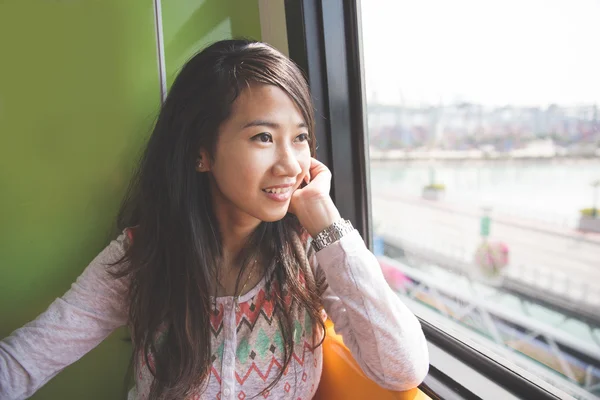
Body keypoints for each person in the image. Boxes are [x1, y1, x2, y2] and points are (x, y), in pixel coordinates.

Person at [0, 39, 428, 400]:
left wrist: (326, 220)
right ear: (201, 152)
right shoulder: (145, 255)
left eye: (299, 138)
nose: (291, 164)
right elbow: (25, 362)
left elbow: (402, 369)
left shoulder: (310, 251)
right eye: (263, 137)